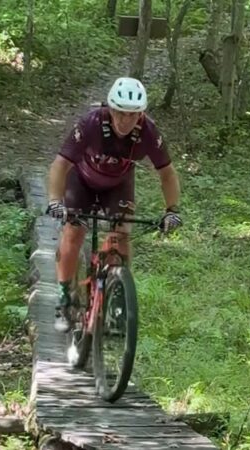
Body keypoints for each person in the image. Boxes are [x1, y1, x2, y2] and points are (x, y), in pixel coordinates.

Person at [45, 77, 182, 332]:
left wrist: (172, 210)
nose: (125, 120)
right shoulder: (90, 124)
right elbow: (60, 165)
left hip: (118, 185)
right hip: (81, 181)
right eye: (119, 112)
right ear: (110, 109)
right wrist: (55, 201)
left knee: (122, 233)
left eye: (132, 115)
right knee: (73, 232)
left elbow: (167, 173)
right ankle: (64, 297)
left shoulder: (149, 132)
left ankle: (117, 291)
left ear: (140, 114)